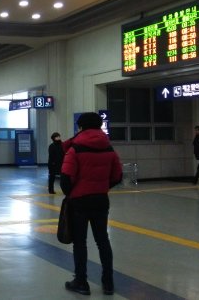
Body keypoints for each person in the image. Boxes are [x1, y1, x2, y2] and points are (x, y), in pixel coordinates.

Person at [60, 112, 122, 296]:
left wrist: (73, 192)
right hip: (101, 200)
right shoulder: (109, 148)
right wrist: (102, 187)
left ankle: (81, 282)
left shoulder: (75, 149)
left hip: (79, 200)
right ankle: (108, 283)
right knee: (103, 240)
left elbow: (65, 178)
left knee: (80, 242)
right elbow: (117, 176)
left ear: (81, 127)